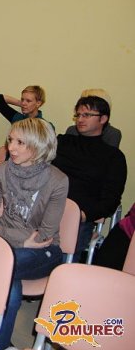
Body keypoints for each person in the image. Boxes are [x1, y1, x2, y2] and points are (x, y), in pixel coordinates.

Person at [0, 118, 68, 350]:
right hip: (6, 245)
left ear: (39, 146)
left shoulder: (57, 180)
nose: (11, 148)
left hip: (44, 251)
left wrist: (1, 232)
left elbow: (45, 235)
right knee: (10, 287)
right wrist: (17, 238)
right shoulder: (0, 172)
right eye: (10, 140)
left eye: (20, 143)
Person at [52, 96, 127, 256]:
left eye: (86, 115)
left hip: (77, 218)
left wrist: (83, 215)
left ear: (103, 119)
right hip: (44, 209)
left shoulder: (113, 157)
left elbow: (111, 200)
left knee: (57, 254)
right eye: (78, 115)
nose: (80, 119)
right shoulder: (62, 142)